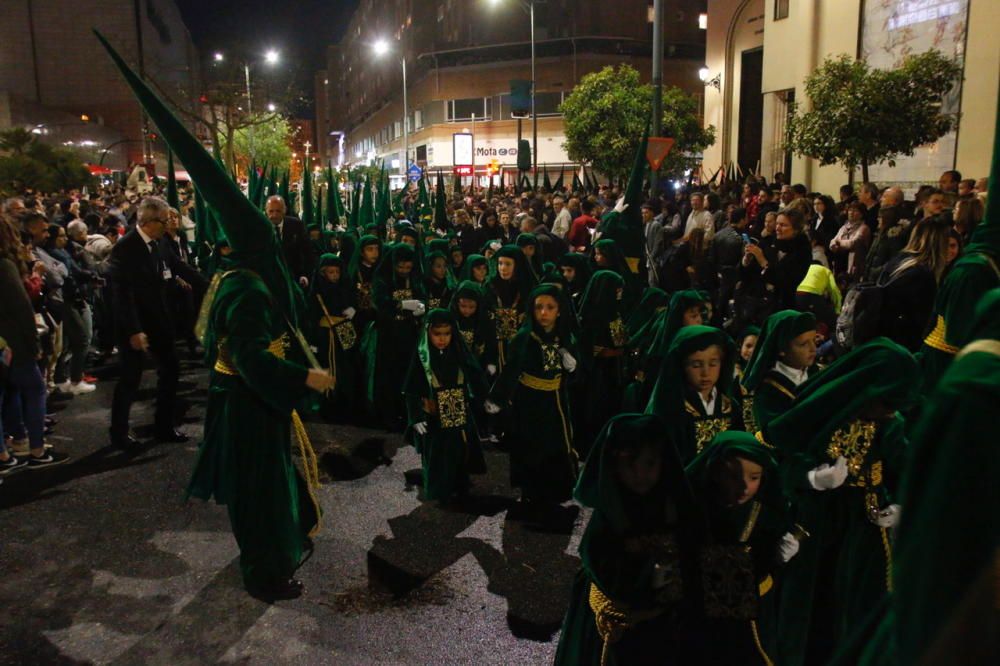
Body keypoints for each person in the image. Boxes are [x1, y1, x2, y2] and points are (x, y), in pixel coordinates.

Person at [95, 30, 335, 602]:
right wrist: (304, 377)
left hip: (244, 405)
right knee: (260, 493)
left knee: (271, 488)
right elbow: (249, 357)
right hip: (249, 408)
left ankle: (276, 552)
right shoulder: (247, 289)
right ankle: (266, 575)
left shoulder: (236, 277)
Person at [761, 339, 919, 666]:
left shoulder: (889, 424)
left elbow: (907, 470)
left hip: (865, 527)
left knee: (859, 606)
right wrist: (812, 478)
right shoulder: (824, 411)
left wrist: (900, 506)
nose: (890, 412)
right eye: (886, 402)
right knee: (811, 605)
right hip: (817, 523)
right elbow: (781, 456)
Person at [554, 414, 700, 666]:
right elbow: (608, 572)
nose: (639, 473)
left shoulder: (674, 509)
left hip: (664, 628)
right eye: (629, 464)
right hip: (616, 631)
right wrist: (652, 571)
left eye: (649, 463)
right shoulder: (608, 518)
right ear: (613, 466)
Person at [685, 431, 796, 665]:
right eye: (733, 477)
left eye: (754, 477)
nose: (744, 487)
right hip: (702, 614)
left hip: (754, 613)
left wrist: (779, 553)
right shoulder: (693, 509)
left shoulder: (765, 514)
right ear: (714, 472)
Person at [108, 196, 188, 447]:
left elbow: (180, 268)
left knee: (171, 370)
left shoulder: (161, 243)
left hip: (160, 321)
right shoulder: (126, 247)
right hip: (136, 326)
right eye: (164, 221)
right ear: (148, 221)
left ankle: (163, 426)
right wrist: (134, 330)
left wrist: (215, 284)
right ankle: (119, 434)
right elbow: (121, 292)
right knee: (130, 379)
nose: (168, 225)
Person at [490, 284, 579, 503]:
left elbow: (575, 371)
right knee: (531, 445)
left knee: (556, 443)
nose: (544, 313)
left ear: (559, 310)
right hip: (529, 400)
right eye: (539, 307)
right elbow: (511, 370)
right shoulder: (525, 338)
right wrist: (498, 399)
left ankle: (557, 489)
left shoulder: (564, 336)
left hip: (556, 399)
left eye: (550, 307)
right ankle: (531, 491)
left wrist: (573, 366)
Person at [0, 215, 69, 470]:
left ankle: (7, 453)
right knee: (35, 391)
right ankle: (37, 451)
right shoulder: (5, 266)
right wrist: (34, 346)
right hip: (14, 344)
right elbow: (21, 310)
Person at [403, 309, 490, 501]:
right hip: (434, 416)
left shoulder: (459, 352)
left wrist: (487, 399)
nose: (442, 339)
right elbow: (412, 390)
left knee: (460, 450)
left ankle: (460, 484)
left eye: (447, 334)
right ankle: (438, 490)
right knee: (436, 455)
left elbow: (475, 376)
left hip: (459, 414)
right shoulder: (422, 357)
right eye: (437, 334)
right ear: (428, 333)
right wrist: (415, 417)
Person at [645, 325, 741, 463]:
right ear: (682, 366)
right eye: (696, 365)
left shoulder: (731, 406)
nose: (705, 373)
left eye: (713, 364)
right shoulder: (672, 409)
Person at [365, 243, 427, 431]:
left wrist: (421, 308)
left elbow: (422, 296)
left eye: (408, 267)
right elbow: (380, 304)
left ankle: (407, 412)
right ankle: (387, 415)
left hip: (409, 334)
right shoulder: (382, 278)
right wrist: (401, 305)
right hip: (388, 335)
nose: (404, 271)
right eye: (400, 267)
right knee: (388, 375)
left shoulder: (414, 277)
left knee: (407, 374)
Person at [574, 270, 628, 458]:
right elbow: (587, 348)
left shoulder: (615, 312)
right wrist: (613, 352)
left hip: (614, 371)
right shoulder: (591, 316)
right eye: (616, 290)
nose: (619, 294)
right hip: (597, 375)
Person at [740, 310, 817, 435]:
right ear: (782, 349)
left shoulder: (819, 373)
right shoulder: (766, 391)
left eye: (815, 341)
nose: (813, 349)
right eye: (803, 344)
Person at [307, 254, 360, 420]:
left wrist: (353, 309)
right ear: (323, 273)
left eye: (337, 272)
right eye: (331, 272)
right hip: (325, 335)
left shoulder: (346, 287)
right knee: (324, 367)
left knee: (347, 367)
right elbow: (310, 316)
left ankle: (346, 404)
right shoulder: (316, 292)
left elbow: (354, 301)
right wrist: (312, 341)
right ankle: (324, 406)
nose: (334, 276)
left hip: (344, 332)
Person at [742, 208, 812, 312]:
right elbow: (749, 273)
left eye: (783, 225)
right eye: (777, 224)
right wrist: (747, 260)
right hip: (760, 302)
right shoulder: (770, 242)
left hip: (786, 305)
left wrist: (762, 260)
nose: (778, 228)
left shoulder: (802, 250)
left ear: (796, 229)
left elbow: (784, 281)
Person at [265, 195, 312, 286]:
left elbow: (307, 252)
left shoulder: (296, 225)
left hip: (294, 277)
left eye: (278, 211)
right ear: (266, 211)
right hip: (269, 279)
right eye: (271, 211)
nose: (274, 215)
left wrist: (305, 275)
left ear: (284, 210)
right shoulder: (261, 227)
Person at [828, 202, 871, 283]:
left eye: (855, 211)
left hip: (854, 264)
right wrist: (834, 244)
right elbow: (832, 241)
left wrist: (839, 242)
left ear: (861, 214)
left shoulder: (864, 228)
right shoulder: (844, 227)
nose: (851, 213)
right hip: (840, 261)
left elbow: (852, 243)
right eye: (850, 210)